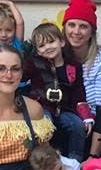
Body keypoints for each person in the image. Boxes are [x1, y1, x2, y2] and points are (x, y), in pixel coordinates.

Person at [24, 22, 93, 161]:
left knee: (77, 125)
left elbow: (79, 92)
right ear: (37, 51)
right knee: (44, 124)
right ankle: (46, 160)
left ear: (61, 42)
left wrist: (86, 115)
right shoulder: (34, 63)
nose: (47, 47)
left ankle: (75, 161)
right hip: (43, 107)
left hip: (65, 109)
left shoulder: (73, 65)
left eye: (51, 42)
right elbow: (18, 76)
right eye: (42, 46)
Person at [62, 0, 101, 117]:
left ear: (92, 32)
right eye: (71, 25)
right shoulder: (58, 58)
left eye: (83, 26)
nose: (76, 31)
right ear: (64, 28)